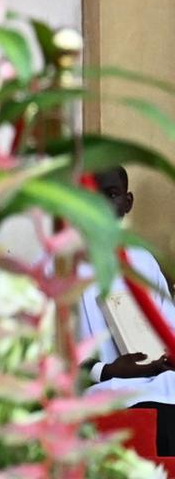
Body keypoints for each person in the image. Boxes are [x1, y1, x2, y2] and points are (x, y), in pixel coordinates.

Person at [78, 166, 175, 454]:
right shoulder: (61, 263)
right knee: (154, 411)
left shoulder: (143, 260)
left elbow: (167, 327)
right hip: (103, 384)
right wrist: (107, 370)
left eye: (112, 194)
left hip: (158, 377)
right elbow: (52, 355)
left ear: (128, 202)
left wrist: (164, 361)